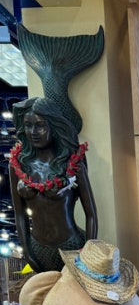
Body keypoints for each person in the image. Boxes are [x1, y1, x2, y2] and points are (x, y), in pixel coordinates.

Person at [9, 96, 97, 273]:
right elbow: (19, 214)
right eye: (28, 125)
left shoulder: (72, 164)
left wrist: (88, 250)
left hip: (71, 246)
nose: (33, 132)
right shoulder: (18, 165)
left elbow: (91, 214)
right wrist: (27, 251)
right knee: (44, 291)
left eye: (40, 125)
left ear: (53, 126)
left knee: (73, 291)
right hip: (37, 248)